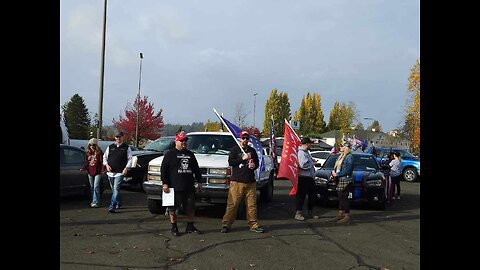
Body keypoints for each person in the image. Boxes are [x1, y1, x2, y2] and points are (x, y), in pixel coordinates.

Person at [221, 131, 264, 233]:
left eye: (247, 138)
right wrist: (241, 158)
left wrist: (254, 166)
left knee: (251, 205)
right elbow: (231, 162)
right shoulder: (235, 150)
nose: (245, 140)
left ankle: (253, 224)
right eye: (243, 138)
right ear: (240, 139)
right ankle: (226, 225)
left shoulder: (252, 151)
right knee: (233, 204)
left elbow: (257, 163)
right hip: (237, 182)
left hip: (250, 182)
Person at [161, 132, 203, 236]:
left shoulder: (190, 154)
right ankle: (174, 227)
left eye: (185, 141)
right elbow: (164, 170)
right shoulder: (170, 154)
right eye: (182, 140)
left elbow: (196, 169)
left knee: (190, 208)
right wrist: (165, 183)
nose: (184, 142)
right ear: (176, 141)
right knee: (173, 209)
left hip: (189, 187)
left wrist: (199, 181)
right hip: (174, 187)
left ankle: (190, 226)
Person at [103, 131, 132, 213]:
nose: (118, 138)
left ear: (123, 137)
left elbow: (130, 159)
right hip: (110, 172)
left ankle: (112, 206)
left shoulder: (126, 147)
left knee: (116, 189)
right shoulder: (110, 147)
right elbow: (104, 157)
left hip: (120, 172)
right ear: (115, 138)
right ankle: (118, 203)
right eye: (117, 137)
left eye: (120, 137)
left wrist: (126, 168)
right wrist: (106, 165)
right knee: (114, 190)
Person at [294, 137, 318, 220]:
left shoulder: (306, 152)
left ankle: (310, 212)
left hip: (309, 177)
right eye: (310, 143)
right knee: (301, 196)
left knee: (313, 194)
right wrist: (312, 163)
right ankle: (298, 213)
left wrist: (311, 162)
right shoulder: (301, 153)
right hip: (303, 177)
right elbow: (302, 165)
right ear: (307, 144)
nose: (311, 145)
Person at [331, 141, 354, 224]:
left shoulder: (349, 157)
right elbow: (337, 167)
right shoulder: (341, 156)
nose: (340, 147)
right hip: (340, 179)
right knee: (340, 197)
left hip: (346, 180)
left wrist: (337, 174)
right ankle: (341, 213)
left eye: (341, 146)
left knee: (344, 197)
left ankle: (347, 216)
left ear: (346, 147)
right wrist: (333, 174)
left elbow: (348, 170)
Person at [81, 138, 105, 208]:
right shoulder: (88, 153)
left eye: (93, 145)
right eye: (90, 145)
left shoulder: (99, 153)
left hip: (97, 172)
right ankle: (93, 201)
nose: (91, 146)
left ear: (96, 145)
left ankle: (96, 202)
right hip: (90, 172)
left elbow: (102, 162)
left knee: (96, 187)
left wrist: (103, 170)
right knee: (92, 187)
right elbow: (87, 162)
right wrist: (83, 168)